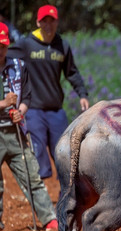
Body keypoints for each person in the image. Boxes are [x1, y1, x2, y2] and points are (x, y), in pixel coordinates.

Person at [7, 5, 89, 180]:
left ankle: (66, 201)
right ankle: (41, 199)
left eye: (52, 21)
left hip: (56, 111)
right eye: (44, 21)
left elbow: (72, 72)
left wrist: (82, 94)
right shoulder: (26, 45)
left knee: (64, 155)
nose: (48, 25)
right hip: (33, 110)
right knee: (40, 161)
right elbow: (4, 55)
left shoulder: (62, 46)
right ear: (38, 22)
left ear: (57, 22)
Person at [0, 22, 57, 230]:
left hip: (15, 132)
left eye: (3, 46)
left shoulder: (18, 66)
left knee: (31, 174)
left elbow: (27, 96)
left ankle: (49, 218)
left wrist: (20, 112)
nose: (0, 51)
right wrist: (4, 104)